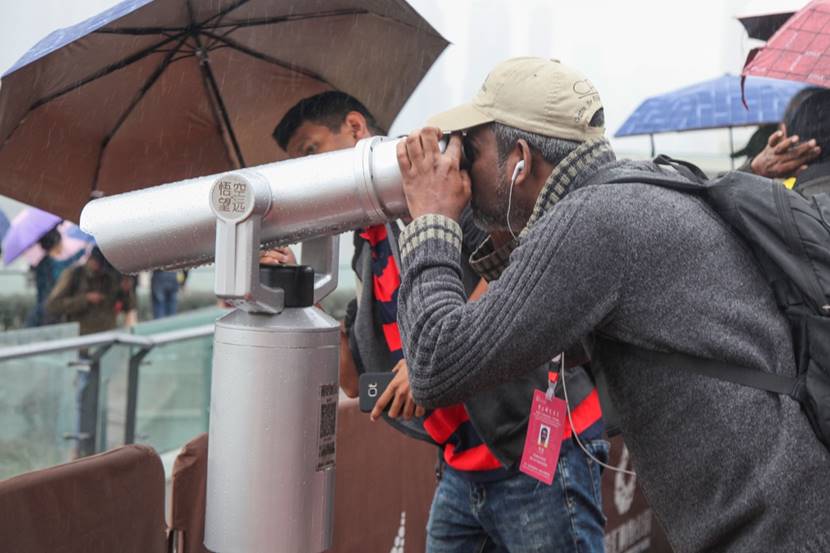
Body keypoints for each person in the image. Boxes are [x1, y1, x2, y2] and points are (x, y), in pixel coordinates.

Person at [394, 57, 830, 553]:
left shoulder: (594, 221)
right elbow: (536, 316)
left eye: (472, 150)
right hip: (788, 512)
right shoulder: (640, 186)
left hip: (771, 532)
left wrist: (430, 218)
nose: (462, 167)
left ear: (519, 157)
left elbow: (435, 364)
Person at [267, 91, 607, 553]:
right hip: (463, 467)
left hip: (536, 448)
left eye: (310, 151)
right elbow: (353, 381)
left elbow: (520, 261)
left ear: (355, 127)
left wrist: (433, 359)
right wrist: (296, 296)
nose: (306, 172)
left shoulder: (441, 186)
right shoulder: (367, 245)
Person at [46, 246, 134, 335]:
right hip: (82, 337)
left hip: (107, 336)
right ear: (90, 259)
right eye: (98, 263)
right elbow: (53, 305)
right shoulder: (74, 275)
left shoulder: (112, 276)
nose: (100, 269)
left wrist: (126, 291)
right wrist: (85, 299)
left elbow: (128, 307)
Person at [25, 227, 85, 327]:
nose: (62, 245)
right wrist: (82, 252)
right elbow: (64, 267)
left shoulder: (42, 263)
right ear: (56, 243)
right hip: (49, 311)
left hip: (43, 309)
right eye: (61, 242)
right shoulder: (49, 264)